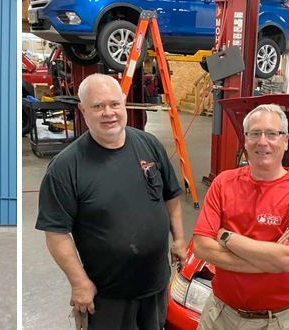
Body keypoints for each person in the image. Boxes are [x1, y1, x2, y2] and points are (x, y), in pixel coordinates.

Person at [36, 73, 185, 329]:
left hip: (155, 285)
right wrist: (79, 282)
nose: (109, 113)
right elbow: (56, 233)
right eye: (98, 106)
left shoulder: (149, 145)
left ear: (124, 103)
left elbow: (170, 196)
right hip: (107, 296)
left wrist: (180, 240)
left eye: (114, 104)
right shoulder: (66, 167)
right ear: (83, 110)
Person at [192, 105, 289, 329]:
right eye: (255, 133)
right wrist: (271, 260)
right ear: (245, 140)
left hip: (277, 321)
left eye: (272, 133)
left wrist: (227, 237)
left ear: (285, 140)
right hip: (219, 315)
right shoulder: (223, 182)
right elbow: (202, 247)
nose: (263, 142)